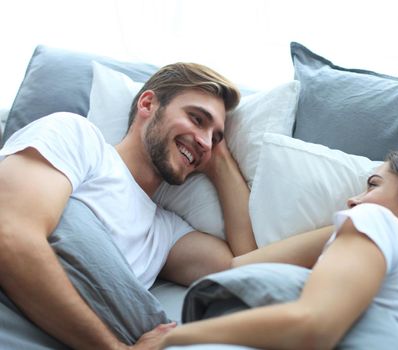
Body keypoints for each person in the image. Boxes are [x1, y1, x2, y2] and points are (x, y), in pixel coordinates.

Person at [151, 150, 398, 350]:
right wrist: (221, 167)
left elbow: (311, 327)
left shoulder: (381, 226)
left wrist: (172, 337)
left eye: (373, 185)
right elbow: (239, 267)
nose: (353, 198)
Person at [0, 63, 259, 349]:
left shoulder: (164, 233)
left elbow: (246, 270)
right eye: (197, 119)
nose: (205, 141)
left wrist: (220, 162)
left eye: (215, 136)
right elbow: (10, 236)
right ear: (147, 103)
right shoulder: (79, 138)